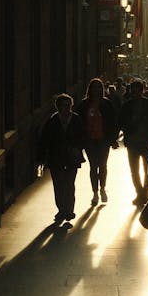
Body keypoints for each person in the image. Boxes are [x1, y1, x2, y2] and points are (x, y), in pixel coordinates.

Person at [37, 93, 86, 226]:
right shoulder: (52, 121)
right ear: (58, 107)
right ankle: (61, 209)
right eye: (63, 106)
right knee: (58, 185)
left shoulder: (76, 119)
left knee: (69, 184)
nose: (66, 108)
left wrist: (77, 147)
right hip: (56, 158)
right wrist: (41, 158)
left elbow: (83, 137)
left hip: (72, 158)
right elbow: (44, 141)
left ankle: (69, 210)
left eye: (68, 105)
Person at [120, 78, 148, 205]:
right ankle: (140, 193)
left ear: (142, 91)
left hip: (146, 142)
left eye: (138, 91)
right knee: (134, 171)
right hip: (132, 143)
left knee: (147, 169)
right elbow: (121, 122)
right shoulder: (127, 106)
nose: (135, 93)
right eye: (133, 91)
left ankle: (145, 193)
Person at [76, 78, 118, 205]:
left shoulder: (107, 104)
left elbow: (113, 122)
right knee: (93, 166)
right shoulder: (84, 105)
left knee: (103, 165)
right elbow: (79, 122)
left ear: (102, 89)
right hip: (90, 140)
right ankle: (95, 192)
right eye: (93, 87)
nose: (96, 90)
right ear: (90, 89)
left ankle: (103, 189)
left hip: (103, 139)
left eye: (98, 87)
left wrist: (113, 139)